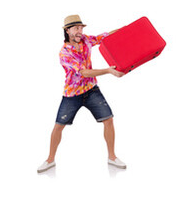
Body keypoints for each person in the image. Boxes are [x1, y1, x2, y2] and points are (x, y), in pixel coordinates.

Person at [38, 15, 126, 173]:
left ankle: (112, 157)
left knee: (109, 119)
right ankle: (50, 160)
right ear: (67, 30)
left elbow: (103, 37)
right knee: (58, 126)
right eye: (76, 28)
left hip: (91, 90)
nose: (80, 31)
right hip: (73, 94)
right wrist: (108, 70)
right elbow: (84, 72)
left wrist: (125, 30)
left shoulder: (85, 40)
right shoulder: (65, 53)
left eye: (81, 28)